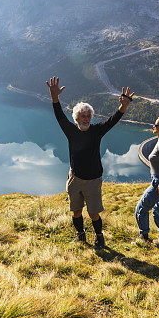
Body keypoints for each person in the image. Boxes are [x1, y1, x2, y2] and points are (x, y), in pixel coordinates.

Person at [47, 76, 135, 249]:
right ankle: (80, 236)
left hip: (93, 180)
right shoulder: (71, 130)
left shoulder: (96, 131)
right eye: (82, 116)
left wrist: (123, 106)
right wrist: (55, 98)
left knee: (94, 213)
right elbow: (59, 116)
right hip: (75, 178)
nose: (86, 118)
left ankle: (99, 237)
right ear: (76, 118)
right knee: (76, 211)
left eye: (88, 115)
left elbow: (112, 120)